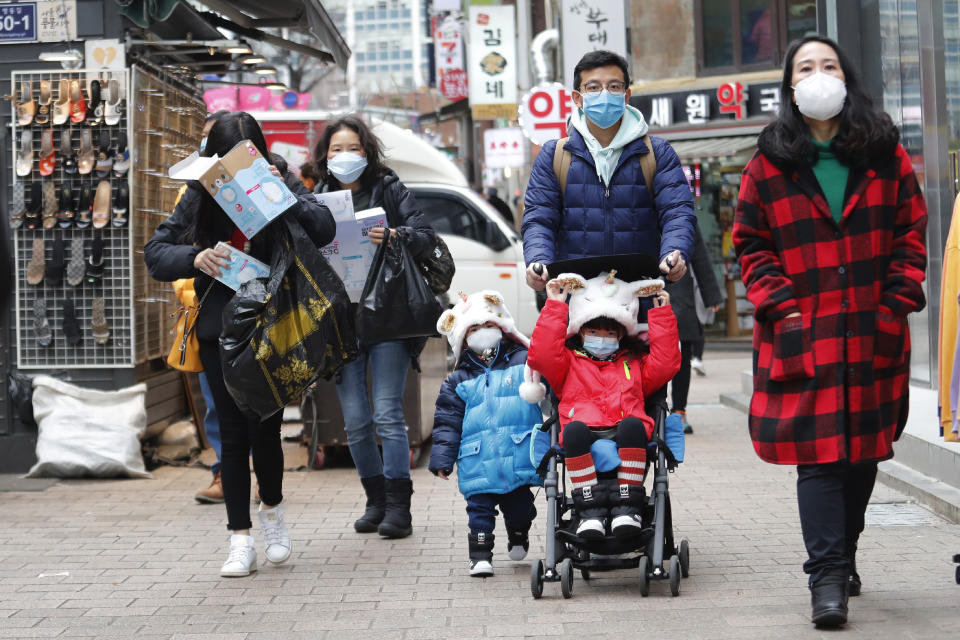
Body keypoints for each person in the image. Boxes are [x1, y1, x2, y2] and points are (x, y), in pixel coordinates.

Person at [732, 36, 927, 628]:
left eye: (829, 65)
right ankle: (827, 579)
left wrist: (895, 302)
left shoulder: (885, 155)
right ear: (790, 86)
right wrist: (782, 308)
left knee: (863, 457)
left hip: (873, 333)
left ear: (848, 77)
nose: (819, 76)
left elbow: (910, 234)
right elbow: (751, 245)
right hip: (803, 334)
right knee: (819, 461)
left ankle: (844, 554)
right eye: (806, 68)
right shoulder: (769, 163)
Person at [145, 111, 336, 577]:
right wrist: (197, 256)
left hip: (272, 324)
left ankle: (272, 515)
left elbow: (325, 229)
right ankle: (239, 539)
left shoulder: (280, 177)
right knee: (231, 435)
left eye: (245, 161)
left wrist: (283, 189)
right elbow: (157, 252)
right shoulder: (200, 190)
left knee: (265, 429)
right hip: (218, 326)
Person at [312, 115, 437, 539]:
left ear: (367, 153)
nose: (344, 157)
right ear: (324, 157)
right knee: (356, 422)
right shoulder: (318, 196)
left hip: (387, 317)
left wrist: (395, 235)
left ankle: (399, 509)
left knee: (387, 414)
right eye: (336, 150)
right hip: (342, 321)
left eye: (353, 149)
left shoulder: (388, 187)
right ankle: (375, 501)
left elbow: (424, 234)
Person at [522, 50, 696, 292]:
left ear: (626, 96)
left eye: (614, 86)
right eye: (593, 87)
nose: (604, 94)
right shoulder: (555, 156)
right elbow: (539, 219)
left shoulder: (657, 152)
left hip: (641, 294)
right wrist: (537, 260)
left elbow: (677, 212)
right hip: (576, 298)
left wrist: (674, 253)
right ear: (577, 98)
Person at [527, 271, 680, 538]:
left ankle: (627, 506)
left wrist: (662, 315)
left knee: (634, 425)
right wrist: (555, 306)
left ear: (621, 335)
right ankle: (589, 511)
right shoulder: (568, 361)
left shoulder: (632, 361)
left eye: (610, 333)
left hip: (627, 429)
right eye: (594, 332)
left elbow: (666, 364)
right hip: (583, 430)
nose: (602, 337)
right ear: (581, 332)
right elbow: (541, 356)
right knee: (572, 431)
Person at [429, 291, 546, 577]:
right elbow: (447, 421)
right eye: (474, 329)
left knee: (520, 508)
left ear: (502, 327)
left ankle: (519, 530)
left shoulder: (524, 363)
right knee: (479, 511)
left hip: (517, 454)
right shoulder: (458, 380)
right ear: (462, 339)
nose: (482, 334)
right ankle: (480, 555)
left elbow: (551, 390)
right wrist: (443, 458)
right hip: (476, 459)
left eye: (488, 326)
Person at [666, 228, 723, 434]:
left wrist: (711, 294)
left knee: (683, 353)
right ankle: (650, 411)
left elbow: (698, 251)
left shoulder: (681, 209)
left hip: (679, 290)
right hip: (646, 287)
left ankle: (679, 411)